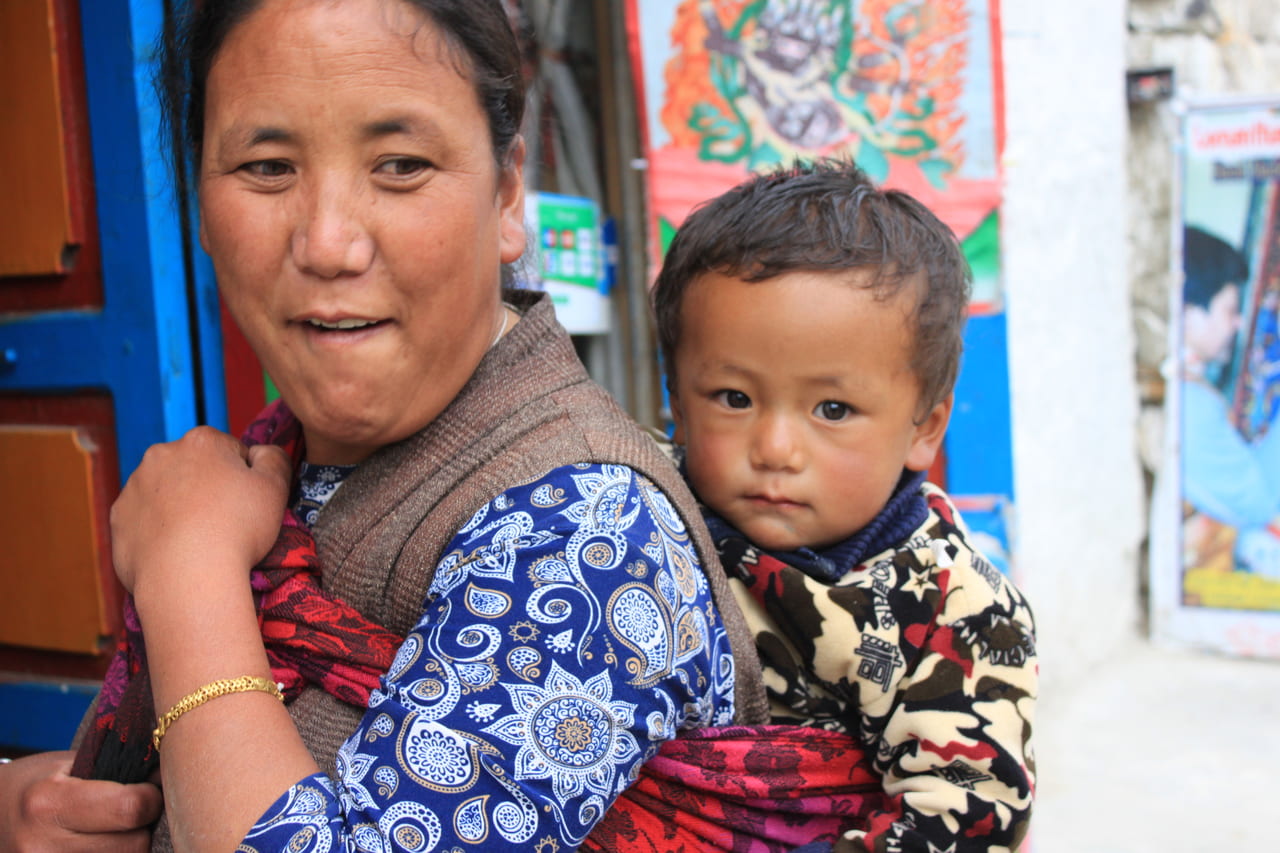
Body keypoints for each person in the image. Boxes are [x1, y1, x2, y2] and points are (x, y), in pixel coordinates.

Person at [0, 0, 772, 850]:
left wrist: (187, 575)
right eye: (265, 166)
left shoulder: (587, 527)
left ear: (509, 192)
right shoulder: (274, 463)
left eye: (401, 164)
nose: (328, 243)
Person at [638, 159, 1038, 851]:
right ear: (674, 394)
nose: (775, 447)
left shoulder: (954, 607)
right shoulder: (630, 504)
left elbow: (968, 810)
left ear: (924, 426)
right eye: (734, 397)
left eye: (833, 408)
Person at [1180, 225, 1280, 577]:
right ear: (1189, 313)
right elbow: (1261, 504)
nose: (1239, 323)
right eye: (1230, 309)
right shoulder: (1190, 405)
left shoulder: (1188, 393)